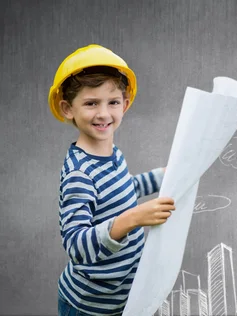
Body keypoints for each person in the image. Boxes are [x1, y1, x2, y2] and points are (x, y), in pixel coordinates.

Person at [49, 44, 176, 315]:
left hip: (122, 300)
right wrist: (132, 219)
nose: (104, 113)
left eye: (113, 102)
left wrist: (165, 175)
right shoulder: (79, 174)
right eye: (91, 103)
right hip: (88, 307)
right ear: (67, 108)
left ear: (125, 104)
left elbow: (124, 189)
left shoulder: (113, 155)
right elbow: (76, 245)